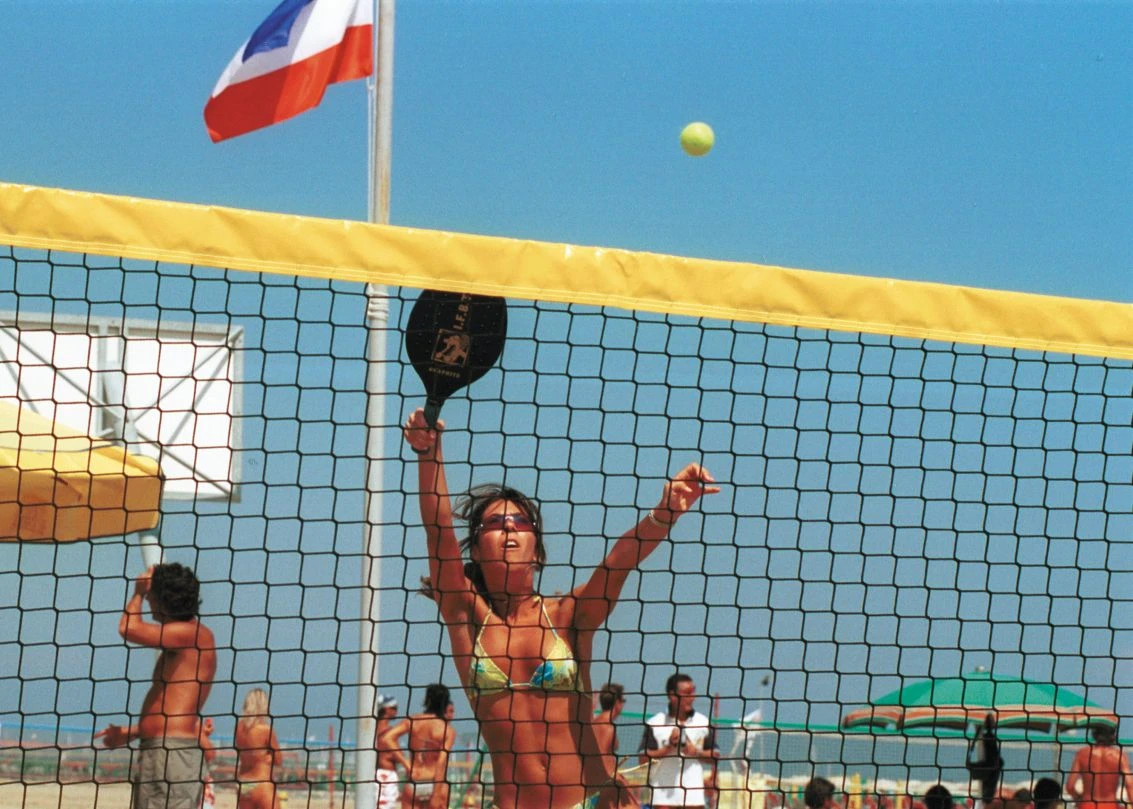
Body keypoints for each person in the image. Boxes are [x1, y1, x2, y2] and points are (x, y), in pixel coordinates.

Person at [403, 406, 719, 809]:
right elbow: (438, 532)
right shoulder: (466, 618)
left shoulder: (568, 615)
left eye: (522, 523)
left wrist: (665, 513)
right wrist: (428, 452)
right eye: (495, 524)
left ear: (538, 551)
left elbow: (618, 562)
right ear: (477, 551)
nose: (510, 528)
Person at [96, 563, 217, 809]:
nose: (149, 600)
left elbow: (128, 628)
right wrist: (132, 733)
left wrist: (138, 592)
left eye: (152, 595)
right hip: (164, 752)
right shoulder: (187, 637)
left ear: (163, 599)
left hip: (171, 755)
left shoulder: (192, 634)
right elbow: (172, 710)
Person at [640, 673, 720, 809]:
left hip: (693, 800)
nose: (692, 697)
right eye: (687, 693)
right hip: (662, 799)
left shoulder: (703, 722)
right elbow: (642, 759)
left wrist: (695, 752)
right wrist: (668, 747)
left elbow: (715, 756)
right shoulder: (655, 723)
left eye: (693, 692)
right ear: (672, 696)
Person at [382, 684, 458, 809]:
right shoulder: (447, 730)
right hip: (435, 782)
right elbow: (441, 763)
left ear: (427, 700)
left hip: (414, 780)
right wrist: (436, 795)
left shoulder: (413, 721)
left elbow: (387, 738)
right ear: (445, 704)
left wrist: (406, 764)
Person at [234, 688, 283, 809]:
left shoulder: (239, 727)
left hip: (243, 783)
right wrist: (268, 756)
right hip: (262, 783)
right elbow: (278, 760)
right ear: (263, 706)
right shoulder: (265, 730)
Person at [1067, 725, 1133, 809]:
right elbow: (1129, 785)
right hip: (1110, 805)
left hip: (1087, 805)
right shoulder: (1119, 756)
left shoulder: (1082, 754)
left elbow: (1070, 786)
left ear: (1094, 734)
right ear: (1112, 736)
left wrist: (1078, 798)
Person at [376, 695, 411, 809]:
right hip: (386, 776)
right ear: (386, 709)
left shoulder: (372, 730)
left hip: (374, 775)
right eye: (394, 708)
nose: (396, 711)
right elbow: (396, 755)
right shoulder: (389, 733)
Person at [593, 683, 627, 776]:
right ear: (617, 703)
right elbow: (600, 759)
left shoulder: (595, 722)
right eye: (623, 700)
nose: (623, 704)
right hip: (600, 777)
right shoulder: (607, 727)